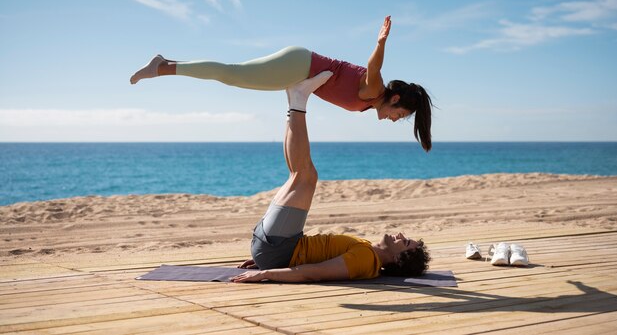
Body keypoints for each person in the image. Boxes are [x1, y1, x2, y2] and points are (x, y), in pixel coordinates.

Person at [230, 72, 430, 283]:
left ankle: (297, 100)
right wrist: (265, 260)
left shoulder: (365, 260)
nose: (400, 234)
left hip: (280, 248)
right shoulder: (367, 250)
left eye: (405, 242)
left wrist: (266, 271)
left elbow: (313, 272)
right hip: (279, 248)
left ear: (397, 259)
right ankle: (294, 101)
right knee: (299, 175)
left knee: (305, 175)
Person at [130, 16, 433, 151]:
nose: (395, 120)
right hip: (299, 65)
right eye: (400, 115)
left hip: (299, 69)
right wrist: (381, 42)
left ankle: (166, 63)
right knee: (231, 74)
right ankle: (163, 67)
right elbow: (373, 66)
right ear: (395, 101)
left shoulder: (369, 103)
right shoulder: (375, 91)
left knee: (232, 74)